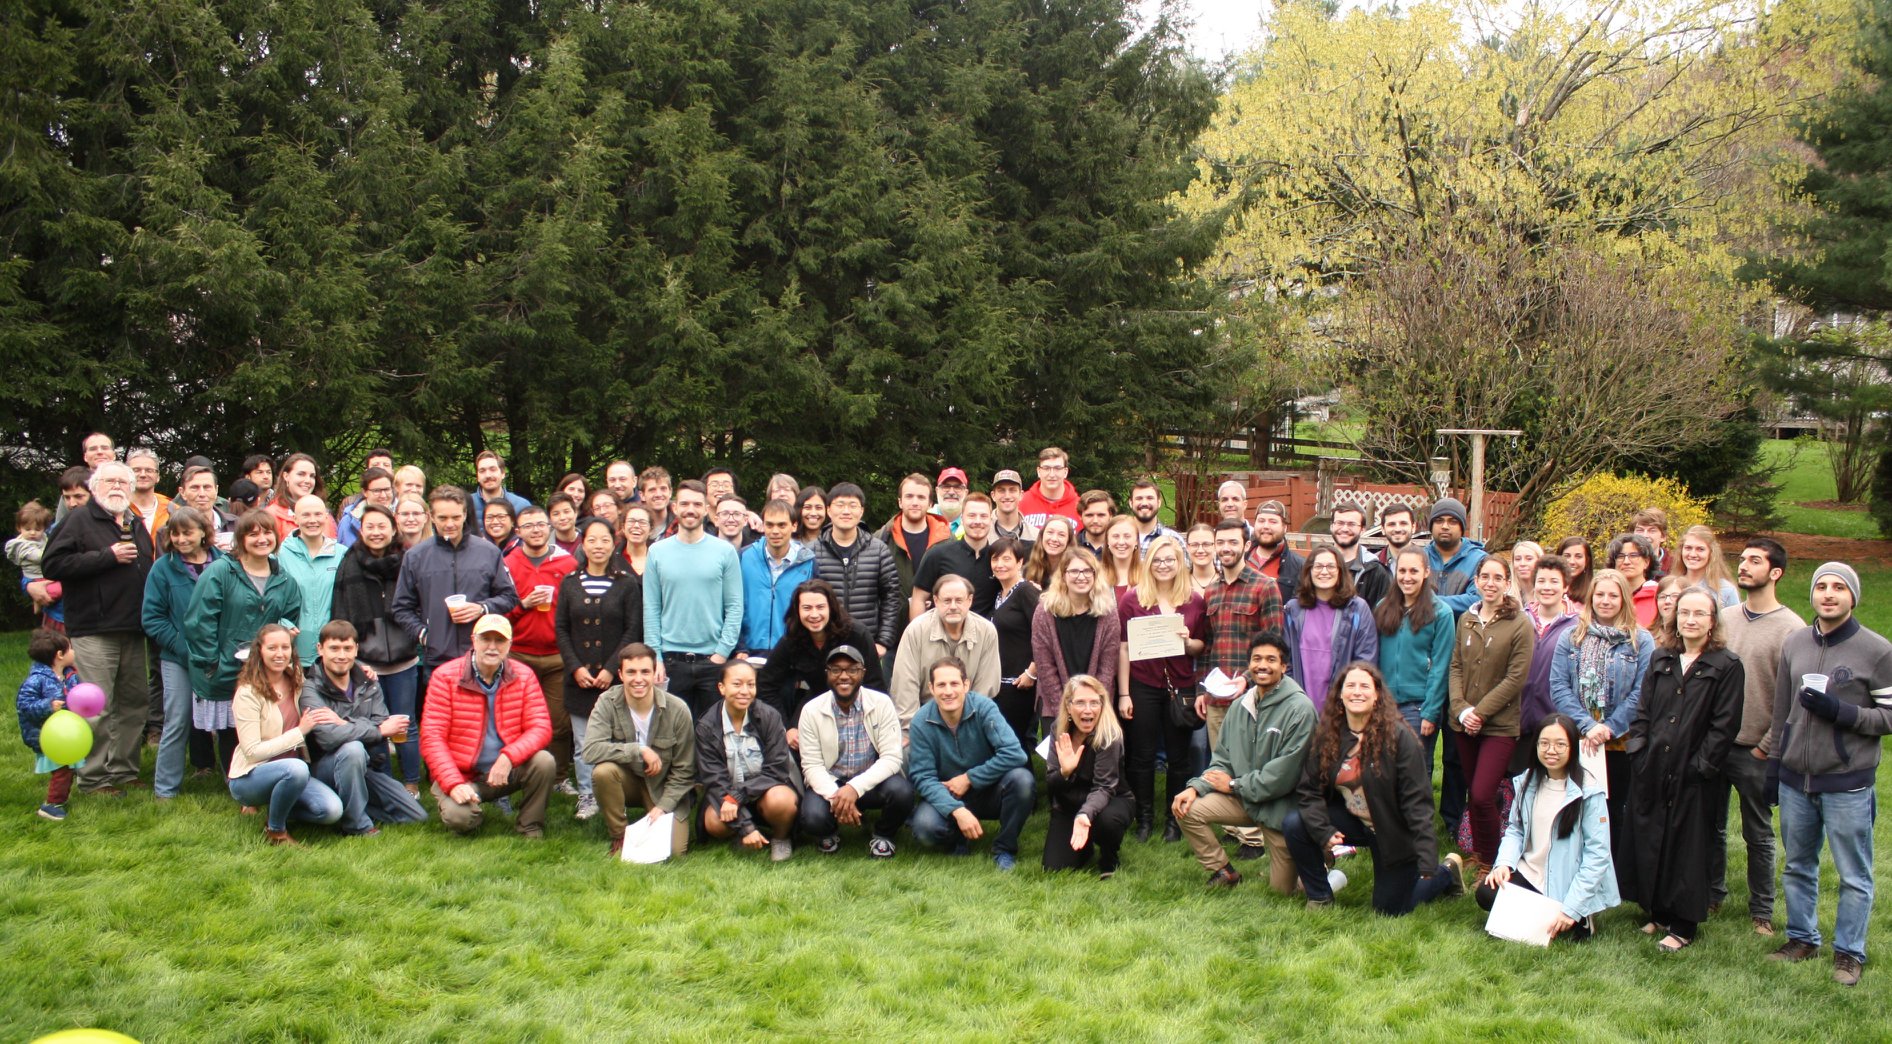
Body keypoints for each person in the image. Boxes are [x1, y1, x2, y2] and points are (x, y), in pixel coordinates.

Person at [1767, 562, 1892, 986]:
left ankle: (1849, 952)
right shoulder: (1795, 642)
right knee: (1798, 865)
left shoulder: (1877, 651)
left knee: (1853, 874)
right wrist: (1774, 762)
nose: (1829, 593)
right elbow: (1781, 709)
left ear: (1853, 597)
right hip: (1795, 780)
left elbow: (1889, 716)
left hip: (1847, 782)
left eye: (1839, 587)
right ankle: (1802, 938)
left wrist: (1843, 714)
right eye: (1822, 586)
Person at [1285, 664, 1466, 913]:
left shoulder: (1399, 737)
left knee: (1390, 910)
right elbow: (1309, 790)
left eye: (1364, 686)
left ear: (1377, 694)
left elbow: (1419, 802)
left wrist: (1426, 858)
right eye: (1350, 685)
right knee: (1295, 824)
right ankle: (1320, 897)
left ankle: (1446, 873)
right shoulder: (1329, 735)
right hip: (1351, 819)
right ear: (1340, 693)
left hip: (1392, 830)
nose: (1357, 692)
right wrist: (1322, 829)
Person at [1623, 585, 1742, 952]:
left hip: (1695, 773)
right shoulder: (1662, 658)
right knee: (1653, 836)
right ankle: (1657, 911)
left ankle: (1684, 924)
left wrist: (1702, 767)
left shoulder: (1726, 666)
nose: (1690, 620)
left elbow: (1725, 726)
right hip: (1654, 765)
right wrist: (1639, 751)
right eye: (1684, 612)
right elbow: (1642, 712)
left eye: (1699, 614)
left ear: (1712, 621)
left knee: (1688, 846)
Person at [41, 460, 155, 796]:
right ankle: (94, 777)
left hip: (133, 627)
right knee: (97, 705)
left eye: (124, 481)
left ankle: (124, 769)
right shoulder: (79, 520)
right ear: (95, 486)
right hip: (94, 628)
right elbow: (53, 564)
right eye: (110, 481)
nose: (118, 486)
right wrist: (106, 556)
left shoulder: (133, 522)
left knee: (134, 702)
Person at [1174, 631, 1316, 893]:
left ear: (1284, 666)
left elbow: (1282, 776)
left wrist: (1234, 785)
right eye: (1257, 659)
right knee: (1187, 806)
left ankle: (1318, 863)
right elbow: (1222, 761)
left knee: (1284, 892)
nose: (1263, 665)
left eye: (1271, 660)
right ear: (1249, 665)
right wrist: (1196, 787)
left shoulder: (1301, 709)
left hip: (1281, 811)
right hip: (1244, 799)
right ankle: (1224, 871)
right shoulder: (1240, 705)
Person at [1714, 537, 1800, 937]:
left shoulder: (1792, 629)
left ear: (1775, 572)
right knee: (1709, 826)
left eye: (1755, 561)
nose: (1744, 566)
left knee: (1758, 833)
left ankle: (1761, 911)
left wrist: (1768, 745)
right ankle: (1712, 895)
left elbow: (1793, 697)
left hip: (1756, 750)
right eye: (1742, 559)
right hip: (1714, 744)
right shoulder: (1726, 618)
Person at [1549, 566, 1652, 890]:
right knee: (1576, 806)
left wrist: (1608, 728)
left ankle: (1611, 878)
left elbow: (1642, 691)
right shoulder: (1572, 637)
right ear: (1591, 597)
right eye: (1600, 594)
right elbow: (1558, 686)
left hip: (1620, 741)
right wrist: (1588, 725)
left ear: (1624, 599)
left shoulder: (1641, 640)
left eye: (1613, 595)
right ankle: (1571, 870)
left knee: (1614, 810)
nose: (1606, 601)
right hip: (1580, 740)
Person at [1475, 714, 1619, 941]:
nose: (1551, 750)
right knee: (1486, 893)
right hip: (1531, 874)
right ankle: (1550, 915)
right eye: (1544, 743)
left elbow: (1597, 856)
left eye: (1560, 744)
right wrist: (1504, 864)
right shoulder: (1527, 781)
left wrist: (1571, 907)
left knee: (1570, 929)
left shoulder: (1590, 791)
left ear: (1573, 747)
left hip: (1567, 881)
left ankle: (1576, 914)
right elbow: (1516, 829)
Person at [185, 511, 303, 771]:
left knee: (262, 721)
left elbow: (290, 617)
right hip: (224, 662)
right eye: (253, 534)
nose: (262, 539)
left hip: (265, 664)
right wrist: (211, 661)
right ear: (241, 538)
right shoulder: (220, 572)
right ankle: (235, 779)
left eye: (267, 532)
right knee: (231, 725)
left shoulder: (284, 578)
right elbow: (199, 621)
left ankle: (259, 776)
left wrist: (286, 630)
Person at [421, 614, 556, 839]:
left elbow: (541, 727)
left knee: (544, 761)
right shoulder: (444, 677)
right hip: (463, 774)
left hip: (505, 771)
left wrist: (508, 758)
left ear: (510, 645)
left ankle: (530, 826)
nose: (492, 647)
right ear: (473, 640)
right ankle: (471, 808)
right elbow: (432, 738)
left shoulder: (524, 675)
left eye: (500, 640)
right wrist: (453, 783)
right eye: (486, 639)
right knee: (460, 818)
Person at [1116, 534, 1208, 843]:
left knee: (1178, 757)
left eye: (1169, 559)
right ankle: (1143, 818)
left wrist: (1186, 640)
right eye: (1157, 560)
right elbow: (1124, 648)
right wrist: (1125, 693)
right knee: (1141, 755)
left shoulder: (1194, 600)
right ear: (1148, 564)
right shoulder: (1133, 599)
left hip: (1180, 686)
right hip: (1143, 684)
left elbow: (1199, 647)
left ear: (1180, 563)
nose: (1163, 565)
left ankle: (1174, 819)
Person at [1447, 555, 1535, 878]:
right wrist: (1461, 708)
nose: (1491, 583)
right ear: (1476, 580)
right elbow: (1455, 666)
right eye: (1485, 577)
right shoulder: (1466, 620)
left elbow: (1516, 678)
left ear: (1507, 583)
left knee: (1484, 793)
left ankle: (1496, 861)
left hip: (1499, 724)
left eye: (1498, 578)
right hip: (1464, 722)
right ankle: (1483, 853)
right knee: (1474, 790)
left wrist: (1481, 712)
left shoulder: (1519, 624)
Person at [298, 621, 427, 834]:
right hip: (324, 767)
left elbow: (383, 721)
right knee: (352, 749)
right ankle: (357, 825)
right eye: (334, 648)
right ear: (320, 649)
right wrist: (376, 731)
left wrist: (344, 723)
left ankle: (352, 807)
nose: (341, 655)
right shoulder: (310, 688)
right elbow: (328, 737)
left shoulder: (368, 681)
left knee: (416, 816)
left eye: (347, 648)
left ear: (356, 649)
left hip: (365, 768)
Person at [906, 657, 1034, 870]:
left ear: (966, 685)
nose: (948, 691)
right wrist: (957, 810)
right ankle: (956, 838)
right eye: (941, 685)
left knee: (1023, 780)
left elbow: (1015, 753)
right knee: (925, 830)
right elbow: (922, 777)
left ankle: (1005, 848)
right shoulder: (921, 721)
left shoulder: (984, 708)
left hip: (988, 790)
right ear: (931, 688)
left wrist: (969, 778)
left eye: (954, 684)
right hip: (947, 792)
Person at [330, 502, 424, 794]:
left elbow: (419, 604)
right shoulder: (349, 561)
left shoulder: (409, 559)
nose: (375, 532)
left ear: (393, 528)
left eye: (381, 526)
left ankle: (411, 782)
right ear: (360, 529)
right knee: (375, 726)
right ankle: (383, 781)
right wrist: (352, 658)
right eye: (369, 526)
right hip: (366, 661)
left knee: (405, 723)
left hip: (403, 658)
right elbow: (342, 611)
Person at [555, 517, 643, 820]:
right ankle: (587, 796)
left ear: (613, 542)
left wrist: (610, 669)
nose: (598, 546)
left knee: (619, 740)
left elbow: (633, 629)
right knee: (583, 744)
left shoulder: (626, 584)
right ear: (583, 544)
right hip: (578, 679)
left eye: (604, 540)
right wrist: (576, 667)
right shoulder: (569, 583)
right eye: (591, 540)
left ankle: (619, 793)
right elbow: (562, 630)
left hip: (614, 678)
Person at [226, 624, 346, 845]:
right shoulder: (247, 693)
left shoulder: (295, 678)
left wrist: (361, 670)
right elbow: (252, 752)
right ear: (259, 651)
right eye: (272, 648)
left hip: (292, 773)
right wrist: (299, 732)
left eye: (285, 647)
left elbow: (328, 670)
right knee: (297, 768)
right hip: (251, 776)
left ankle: (278, 810)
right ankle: (276, 831)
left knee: (331, 811)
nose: (280, 653)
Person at [390, 485, 520, 687]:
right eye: (443, 518)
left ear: (465, 515)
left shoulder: (488, 552)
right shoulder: (416, 556)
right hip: (438, 659)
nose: (450, 524)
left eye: (455, 517)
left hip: (484, 658)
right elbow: (401, 607)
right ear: (431, 517)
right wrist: (424, 635)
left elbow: (509, 597)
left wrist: (481, 608)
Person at [582, 641, 697, 857]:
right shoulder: (607, 702)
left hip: (664, 786)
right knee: (603, 772)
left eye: (645, 671)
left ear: (655, 674)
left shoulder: (677, 709)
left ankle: (657, 816)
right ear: (620, 674)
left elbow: (685, 769)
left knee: (674, 852)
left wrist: (663, 806)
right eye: (631, 672)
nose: (638, 679)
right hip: (628, 781)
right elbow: (590, 750)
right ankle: (620, 835)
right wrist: (638, 749)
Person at [797, 644, 914, 857]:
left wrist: (854, 788)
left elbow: (891, 758)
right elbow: (811, 766)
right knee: (811, 817)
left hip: (871, 782)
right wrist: (838, 797)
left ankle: (883, 835)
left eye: (852, 669)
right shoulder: (811, 710)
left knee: (902, 793)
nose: (844, 676)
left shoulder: (882, 703)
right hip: (831, 782)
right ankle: (829, 832)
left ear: (863, 673)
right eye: (836, 669)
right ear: (827, 674)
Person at [642, 480, 744, 717]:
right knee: (671, 735)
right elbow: (651, 608)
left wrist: (721, 653)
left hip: (712, 660)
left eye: (697, 504)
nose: (691, 509)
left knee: (712, 734)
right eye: (685, 503)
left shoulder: (724, 552)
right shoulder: (657, 551)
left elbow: (735, 606)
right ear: (675, 507)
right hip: (671, 661)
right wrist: (655, 656)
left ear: (707, 510)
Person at [141, 505, 221, 798]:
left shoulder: (224, 563)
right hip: (178, 658)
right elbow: (152, 617)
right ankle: (165, 789)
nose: (180, 539)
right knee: (177, 720)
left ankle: (238, 785)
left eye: (187, 532)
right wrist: (181, 647)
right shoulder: (163, 568)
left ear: (203, 532)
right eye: (175, 533)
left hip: (219, 658)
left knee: (229, 722)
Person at [503, 504, 578, 792]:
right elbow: (498, 612)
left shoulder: (567, 563)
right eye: (528, 525)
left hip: (557, 655)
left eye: (540, 524)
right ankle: (513, 777)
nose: (536, 529)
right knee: (513, 721)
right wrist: (523, 605)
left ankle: (559, 777)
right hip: (519, 653)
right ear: (518, 531)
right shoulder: (508, 564)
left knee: (558, 722)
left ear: (549, 528)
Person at [757, 579, 886, 746]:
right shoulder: (792, 639)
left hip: (857, 709)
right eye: (807, 608)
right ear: (797, 610)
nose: (814, 615)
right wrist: (786, 727)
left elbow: (875, 685)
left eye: (820, 607)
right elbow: (766, 685)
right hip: (814, 708)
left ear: (831, 608)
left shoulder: (856, 634)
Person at [696, 659, 798, 860]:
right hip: (727, 793)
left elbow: (777, 770)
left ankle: (781, 838)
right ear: (721, 687)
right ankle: (743, 835)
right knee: (714, 822)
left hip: (767, 791)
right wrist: (746, 826)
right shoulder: (706, 726)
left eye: (750, 684)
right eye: (737, 684)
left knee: (782, 801)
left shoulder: (769, 716)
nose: (745, 691)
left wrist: (738, 796)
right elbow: (714, 780)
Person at [1042, 675, 1133, 877]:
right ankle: (1084, 849)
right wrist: (1065, 772)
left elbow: (1104, 787)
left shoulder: (1110, 735)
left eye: (1094, 703)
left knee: (1108, 821)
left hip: (1109, 800)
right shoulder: (1058, 730)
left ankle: (1109, 857)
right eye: (1081, 703)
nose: (1088, 710)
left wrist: (1085, 814)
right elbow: (1051, 785)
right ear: (1068, 705)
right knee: (1053, 868)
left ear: (1102, 705)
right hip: (1069, 804)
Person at [1374, 547, 1454, 773]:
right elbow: (1374, 656)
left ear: (1426, 572)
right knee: (1384, 769)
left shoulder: (1441, 613)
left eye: (1414, 571)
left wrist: (1430, 711)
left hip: (1418, 706)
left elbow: (1441, 665)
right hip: (1385, 703)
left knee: (1415, 770)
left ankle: (1417, 810)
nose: (1407, 577)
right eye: (1402, 571)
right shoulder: (1383, 608)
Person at [889, 574, 1000, 730]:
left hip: (970, 719)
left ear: (970, 600)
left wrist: (970, 729)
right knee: (907, 752)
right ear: (936, 601)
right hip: (923, 715)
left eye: (959, 600)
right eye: (947, 601)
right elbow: (905, 686)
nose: (953, 606)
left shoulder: (987, 632)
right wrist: (912, 729)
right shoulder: (916, 630)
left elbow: (985, 688)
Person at [1030, 548, 1121, 737]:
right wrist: (1067, 708)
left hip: (1096, 704)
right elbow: (1044, 667)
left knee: (1097, 762)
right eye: (1074, 571)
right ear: (1063, 575)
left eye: (1088, 571)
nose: (1081, 577)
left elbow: (1107, 667)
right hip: (1055, 702)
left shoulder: (1108, 613)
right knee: (1060, 764)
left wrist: (1091, 705)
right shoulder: (1044, 611)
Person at [1282, 545, 1378, 714]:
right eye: (1318, 566)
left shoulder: (1357, 609)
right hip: (1299, 708)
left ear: (1340, 571)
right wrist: (1293, 699)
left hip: (1342, 709)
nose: (1324, 571)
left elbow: (1365, 660)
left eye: (1331, 566)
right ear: (1309, 571)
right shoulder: (1293, 610)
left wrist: (1348, 699)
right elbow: (1286, 660)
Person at [812, 482, 901, 658]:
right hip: (823, 643)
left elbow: (891, 597)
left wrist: (883, 642)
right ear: (829, 510)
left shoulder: (879, 550)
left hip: (867, 644)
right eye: (840, 505)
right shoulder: (812, 551)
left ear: (861, 511)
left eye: (853, 506)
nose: (846, 511)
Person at [737, 499, 816, 656]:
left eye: (781, 525)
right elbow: (732, 604)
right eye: (770, 525)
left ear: (794, 526)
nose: (775, 531)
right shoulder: (744, 557)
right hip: (748, 651)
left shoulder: (808, 562)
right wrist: (739, 647)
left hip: (790, 652)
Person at [986, 538, 1041, 755]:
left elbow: (1044, 633)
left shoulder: (1026, 592)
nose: (1000, 564)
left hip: (1020, 683)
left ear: (1020, 563)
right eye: (995, 559)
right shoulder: (999, 595)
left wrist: (1032, 672)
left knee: (1013, 742)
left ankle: (1024, 786)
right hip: (1000, 682)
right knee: (1002, 742)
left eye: (1007, 559)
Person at [17, 629, 79, 820]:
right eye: (71, 648)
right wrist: (48, 706)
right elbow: (25, 706)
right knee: (62, 769)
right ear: (60, 655)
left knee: (68, 767)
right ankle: (51, 804)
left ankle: (59, 799)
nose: (74, 652)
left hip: (66, 732)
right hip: (47, 735)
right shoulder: (37, 680)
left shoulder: (69, 674)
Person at [278, 494, 345, 667]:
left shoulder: (342, 554)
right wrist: (283, 625)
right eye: (306, 515)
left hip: (334, 650)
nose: (312, 520)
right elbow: (272, 598)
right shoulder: (280, 555)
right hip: (295, 649)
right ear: (295, 518)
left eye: (317, 514)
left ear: (326, 517)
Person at [911, 493, 1000, 618]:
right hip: (942, 634)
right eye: (972, 515)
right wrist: (918, 635)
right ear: (962, 519)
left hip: (984, 635)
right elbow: (918, 598)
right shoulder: (938, 554)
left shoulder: (998, 560)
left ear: (990, 520)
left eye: (983, 516)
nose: (978, 521)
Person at [878, 472, 948, 624]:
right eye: (909, 496)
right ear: (900, 502)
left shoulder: (947, 540)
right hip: (890, 631)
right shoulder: (881, 539)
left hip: (938, 628)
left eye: (921, 497)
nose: (915, 502)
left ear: (930, 504)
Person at [1519, 555, 1580, 730]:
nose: (1547, 587)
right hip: (1517, 721)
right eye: (1541, 581)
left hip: (1557, 722)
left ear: (1565, 586)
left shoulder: (1578, 627)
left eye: (1554, 581)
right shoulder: (1520, 619)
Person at [1423, 498, 1486, 614]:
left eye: (1452, 521)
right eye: (1439, 520)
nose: (1445, 526)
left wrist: (1431, 602)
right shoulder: (1420, 557)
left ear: (1462, 528)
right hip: (1424, 629)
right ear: (1431, 526)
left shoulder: (1480, 560)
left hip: (1463, 630)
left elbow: (1479, 599)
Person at [1329, 502, 1390, 610]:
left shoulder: (1374, 571)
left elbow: (1380, 618)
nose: (1344, 528)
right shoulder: (1316, 566)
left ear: (1362, 530)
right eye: (1340, 523)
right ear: (1331, 526)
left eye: (1351, 524)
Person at [266, 453, 332, 542]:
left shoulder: (325, 516)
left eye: (312, 476)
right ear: (286, 476)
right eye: (301, 474)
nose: (308, 480)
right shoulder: (270, 516)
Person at [1246, 500, 1303, 596]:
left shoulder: (1299, 566)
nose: (1266, 526)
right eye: (1261, 521)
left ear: (1285, 528)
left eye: (1273, 522)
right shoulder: (1241, 559)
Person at [1018, 446, 1081, 530]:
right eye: (1046, 468)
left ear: (1065, 472)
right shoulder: (1021, 502)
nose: (1051, 474)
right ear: (1039, 471)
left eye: (1057, 468)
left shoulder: (1079, 506)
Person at [1675, 525, 1738, 608]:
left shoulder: (1726, 590)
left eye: (1700, 549)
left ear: (1711, 553)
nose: (1693, 554)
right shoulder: (1672, 585)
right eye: (1688, 548)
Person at [1606, 533, 1660, 627]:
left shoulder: (1658, 596)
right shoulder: (1604, 597)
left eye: (1633, 555)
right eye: (1620, 556)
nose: (1626, 562)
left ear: (1646, 562)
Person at [336, 466, 395, 547]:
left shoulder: (400, 517)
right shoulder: (348, 522)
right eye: (377, 491)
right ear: (365, 492)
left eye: (387, 489)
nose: (383, 495)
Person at [468, 450, 531, 525]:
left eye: (492, 469)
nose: (488, 475)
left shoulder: (522, 506)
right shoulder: (466, 504)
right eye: (482, 471)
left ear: (503, 473)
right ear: (477, 476)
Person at [124, 447, 172, 542]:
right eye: (136, 470)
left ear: (158, 477)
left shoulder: (172, 509)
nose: (143, 474)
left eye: (149, 470)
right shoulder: (117, 509)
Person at [1126, 479, 1181, 551]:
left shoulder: (1174, 539)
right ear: (1131, 503)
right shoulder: (1118, 540)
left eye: (1150, 498)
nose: (1144, 503)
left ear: (1159, 502)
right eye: (1139, 498)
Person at [1024, 516, 1075, 588]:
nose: (1054, 539)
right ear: (1042, 536)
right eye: (1050, 532)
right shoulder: (1027, 568)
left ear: (1068, 541)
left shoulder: (1075, 571)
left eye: (1061, 535)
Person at [989, 469, 1040, 542]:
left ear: (1021, 495)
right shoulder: (983, 532)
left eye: (1012, 490)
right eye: (1001, 490)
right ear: (993, 495)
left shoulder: (1035, 536)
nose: (1007, 496)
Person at [1373, 503, 1418, 567]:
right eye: (1392, 524)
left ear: (1413, 527)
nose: (1397, 529)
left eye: (1403, 523)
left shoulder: (1427, 561)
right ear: (1383, 529)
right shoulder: (1372, 563)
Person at [1632, 507, 1673, 576]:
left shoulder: (1674, 567)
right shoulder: (1623, 563)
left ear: (1663, 537)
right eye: (1640, 530)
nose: (1645, 536)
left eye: (1652, 531)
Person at [639, 466, 677, 538]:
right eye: (652, 490)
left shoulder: (681, 525)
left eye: (663, 489)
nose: (658, 494)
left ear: (670, 492)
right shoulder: (635, 525)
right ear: (642, 495)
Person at [1557, 535, 1595, 605]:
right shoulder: (1548, 588)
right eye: (1567, 556)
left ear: (1587, 560)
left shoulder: (1594, 592)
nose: (1572, 562)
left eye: (1578, 556)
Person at [1076, 490, 1115, 556]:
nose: (1095, 521)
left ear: (1110, 516)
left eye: (1101, 515)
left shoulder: (1120, 546)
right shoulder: (1070, 546)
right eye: (1089, 515)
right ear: (1080, 516)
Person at [619, 502, 653, 576]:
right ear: (623, 527)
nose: (636, 525)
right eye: (631, 521)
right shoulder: (612, 559)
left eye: (642, 522)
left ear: (650, 530)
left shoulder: (659, 557)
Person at [1185, 523, 1218, 597]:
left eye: (1206, 544)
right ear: (1187, 547)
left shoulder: (1226, 582)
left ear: (1215, 546)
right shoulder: (1179, 584)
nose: (1200, 550)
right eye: (1194, 545)